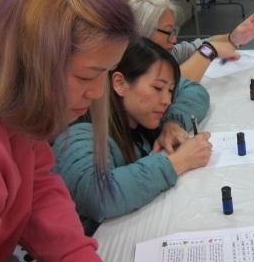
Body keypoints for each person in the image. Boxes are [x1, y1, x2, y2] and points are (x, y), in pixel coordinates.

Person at [0, 0, 140, 262]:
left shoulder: (18, 118)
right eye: (85, 76)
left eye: (106, 72)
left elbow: (38, 192)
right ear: (32, 62)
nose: (97, 92)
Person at [53, 38, 212, 236]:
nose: (167, 100)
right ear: (119, 84)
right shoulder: (79, 134)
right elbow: (97, 196)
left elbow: (195, 91)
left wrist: (172, 122)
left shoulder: (142, 119)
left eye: (170, 90)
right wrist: (177, 162)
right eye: (158, 88)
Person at [129, 0, 254, 82]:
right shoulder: (134, 72)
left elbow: (198, 46)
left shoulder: (168, 53)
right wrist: (209, 50)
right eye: (168, 32)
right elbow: (174, 84)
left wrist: (233, 38)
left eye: (174, 31)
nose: (174, 40)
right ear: (142, 32)